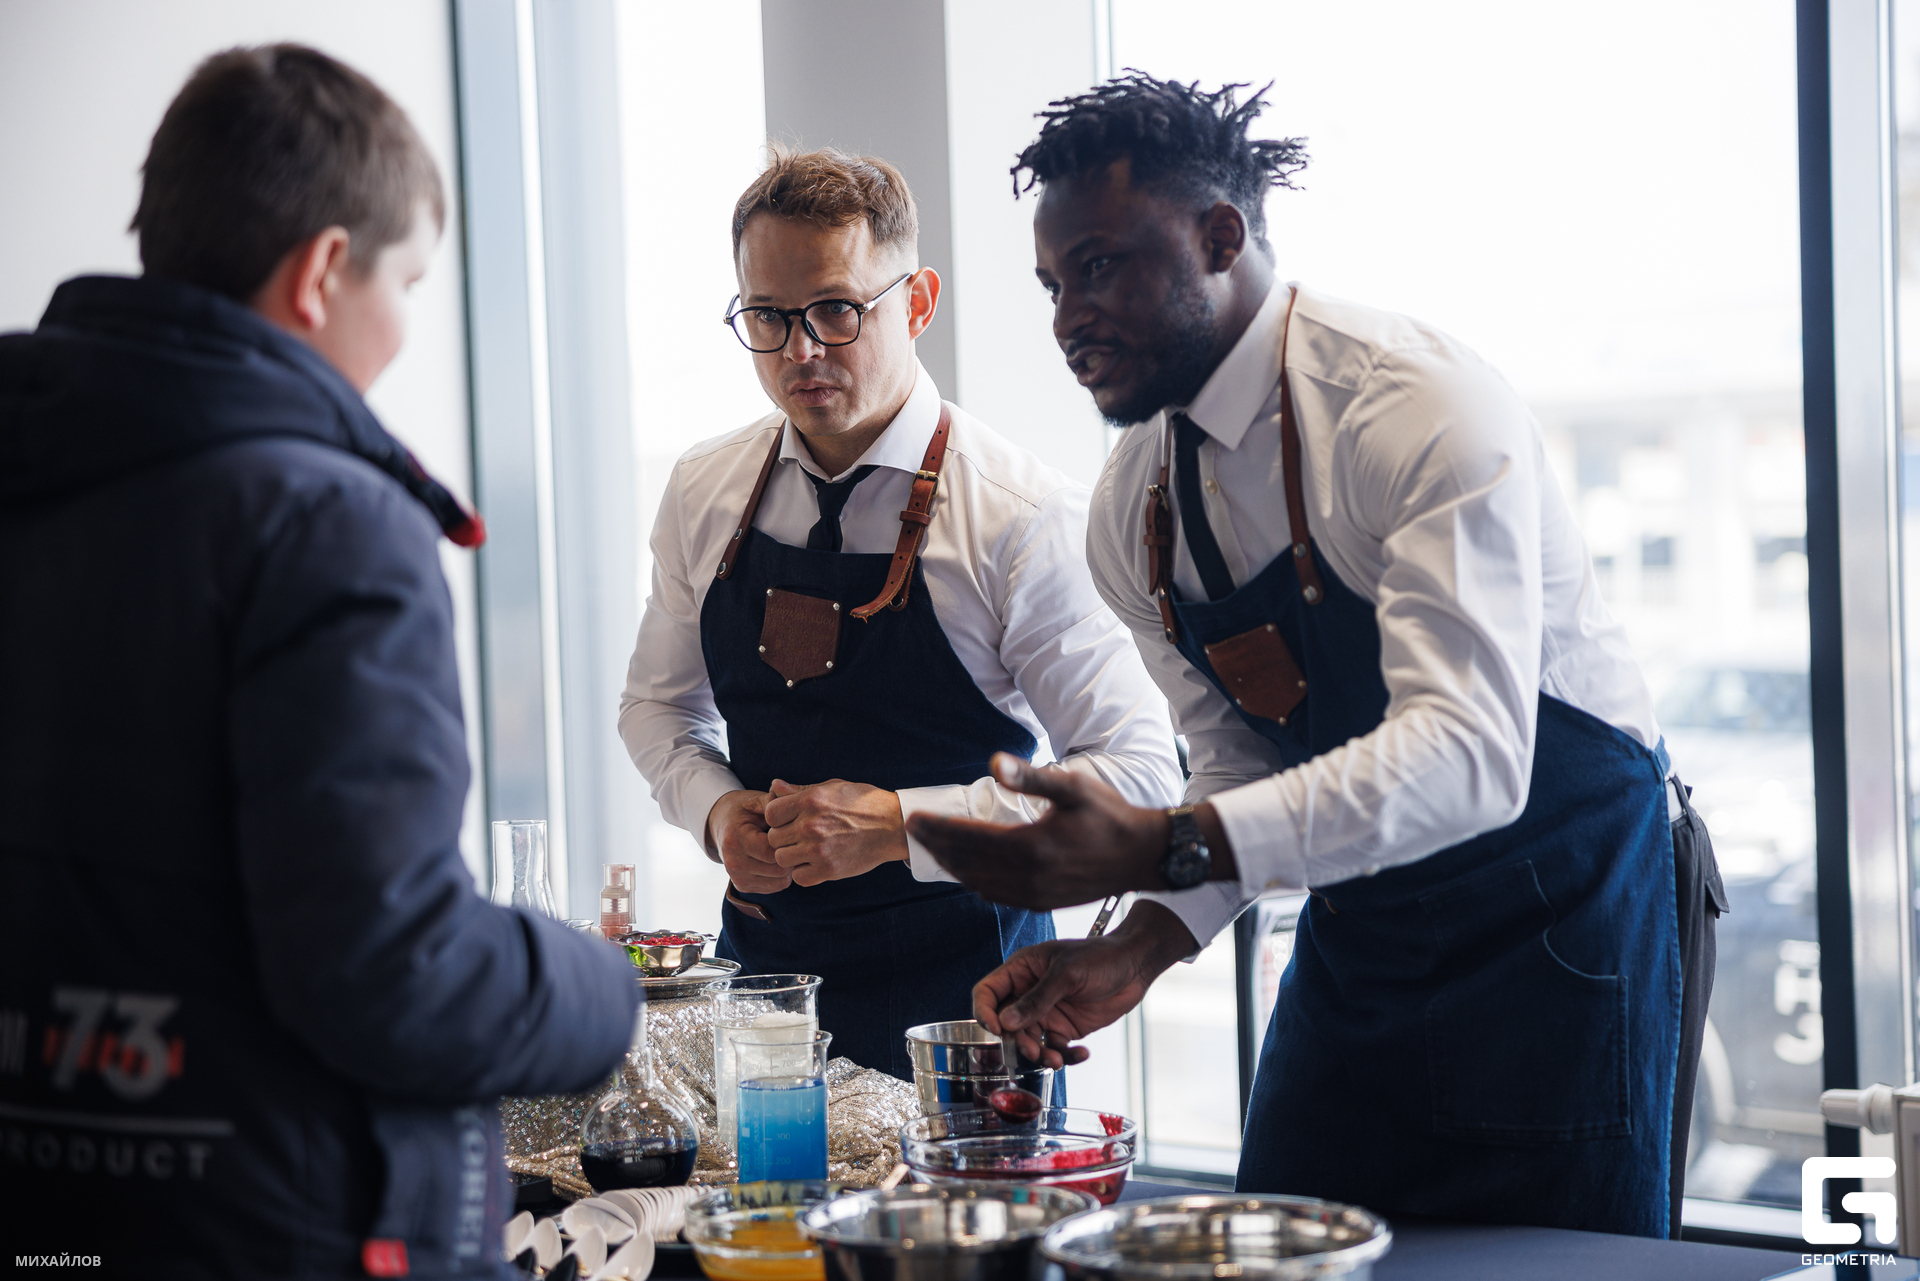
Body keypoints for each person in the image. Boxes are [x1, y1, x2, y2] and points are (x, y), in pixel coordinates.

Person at [907, 75, 1724, 1239]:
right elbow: (1241, 762)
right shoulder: (1133, 508)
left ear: (1219, 238)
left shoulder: (1417, 409)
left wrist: (1162, 841)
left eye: (1099, 267)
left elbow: (1469, 757)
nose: (1066, 320)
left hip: (1557, 933)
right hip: (1365, 949)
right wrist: (1138, 946)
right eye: (1052, 285)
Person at [0, 46, 637, 1275]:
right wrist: (598, 989)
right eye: (407, 282)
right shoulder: (327, 525)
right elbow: (394, 970)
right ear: (323, 271)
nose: (400, 332)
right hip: (277, 1220)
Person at [618, 146, 1181, 1080]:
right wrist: (716, 814)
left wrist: (897, 825)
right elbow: (656, 708)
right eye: (768, 316)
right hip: (765, 1004)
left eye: (836, 310)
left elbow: (1139, 774)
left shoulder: (1020, 514)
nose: (800, 351)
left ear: (916, 303)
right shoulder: (703, 487)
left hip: (971, 1013)